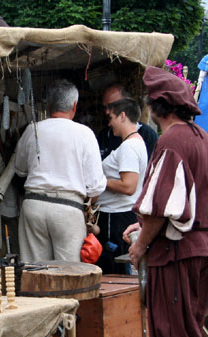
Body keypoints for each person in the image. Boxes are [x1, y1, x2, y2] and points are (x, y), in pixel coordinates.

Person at [123, 67, 208, 337]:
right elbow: (177, 203)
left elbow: (163, 208)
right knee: (173, 329)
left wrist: (140, 244)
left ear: (156, 106)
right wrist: (143, 229)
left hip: (179, 254)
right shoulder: (199, 136)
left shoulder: (173, 141)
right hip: (195, 248)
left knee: (175, 332)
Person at [14, 79, 106, 262]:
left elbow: (20, 169)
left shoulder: (33, 130)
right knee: (70, 275)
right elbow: (96, 187)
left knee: (35, 273)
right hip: (68, 209)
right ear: (74, 106)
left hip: (34, 206)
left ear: (48, 106)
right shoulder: (84, 133)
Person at [95, 98, 147, 275]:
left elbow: (128, 186)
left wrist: (99, 181)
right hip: (120, 215)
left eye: (111, 118)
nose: (109, 124)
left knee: (113, 270)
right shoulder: (135, 143)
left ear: (123, 116)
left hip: (116, 217)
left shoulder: (129, 147)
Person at [98, 83, 158, 160]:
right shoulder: (104, 135)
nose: (107, 112)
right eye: (105, 107)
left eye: (112, 106)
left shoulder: (147, 135)